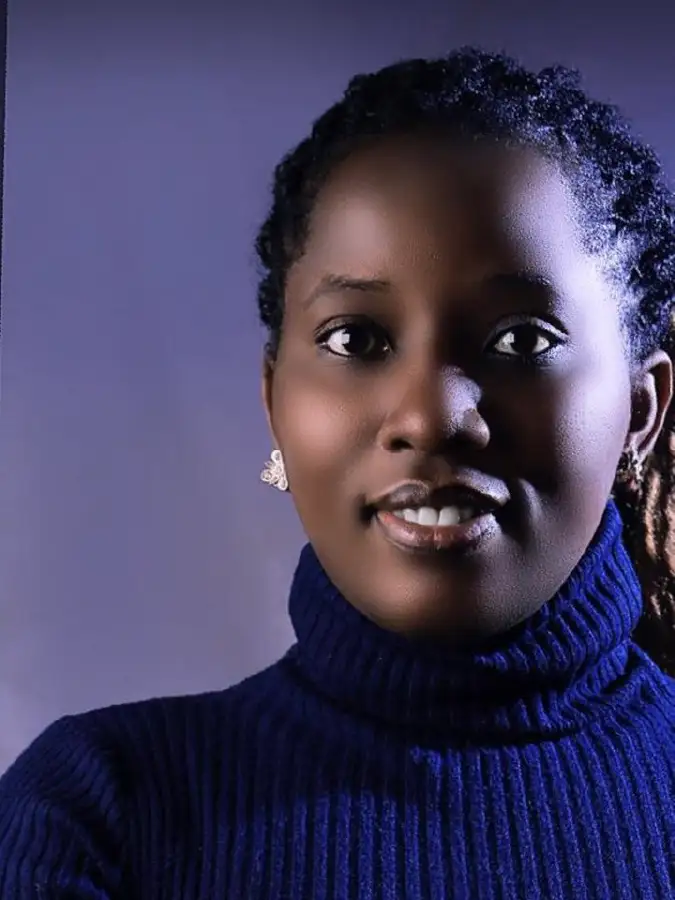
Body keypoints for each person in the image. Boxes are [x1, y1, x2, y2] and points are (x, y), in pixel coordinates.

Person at [1, 46, 674, 900]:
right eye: (355, 338)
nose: (429, 417)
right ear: (274, 400)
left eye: (520, 340)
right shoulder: (96, 814)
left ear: (641, 409)